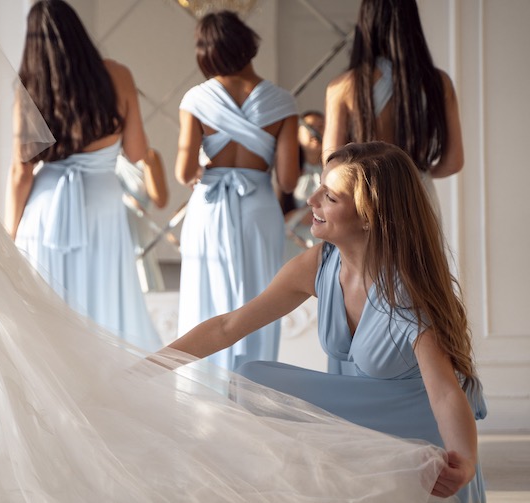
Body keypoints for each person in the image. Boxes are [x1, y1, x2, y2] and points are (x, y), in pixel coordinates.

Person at [0, 0, 455, 500]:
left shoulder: (285, 92)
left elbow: (32, 159)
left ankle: (163, 391)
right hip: (187, 204)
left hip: (55, 200)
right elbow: (278, 175)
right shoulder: (139, 79)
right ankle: (279, 405)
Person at [168, 141, 486, 502]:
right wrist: (150, 366)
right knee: (253, 381)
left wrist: (465, 460)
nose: (311, 200)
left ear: (369, 214)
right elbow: (228, 327)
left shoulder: (408, 293)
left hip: (418, 432)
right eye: (319, 186)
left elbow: (446, 392)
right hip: (362, 420)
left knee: (256, 382)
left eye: (329, 197)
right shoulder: (320, 264)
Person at [6, 0, 161, 351]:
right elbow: (137, 153)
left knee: (48, 316)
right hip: (102, 205)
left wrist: (9, 234)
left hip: (46, 210)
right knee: (105, 306)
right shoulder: (118, 75)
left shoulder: (29, 87)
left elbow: (21, 171)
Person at [174, 10, 300, 371]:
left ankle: (202, 392)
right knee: (262, 300)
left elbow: (184, 172)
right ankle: (255, 384)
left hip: (209, 207)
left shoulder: (197, 99)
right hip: (259, 208)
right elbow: (289, 181)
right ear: (248, 44)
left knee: (204, 297)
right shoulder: (282, 102)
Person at [323, 0, 464, 217]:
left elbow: (332, 161)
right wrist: (415, 175)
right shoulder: (438, 82)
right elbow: (453, 162)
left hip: (367, 201)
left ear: (366, 22)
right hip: (420, 199)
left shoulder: (343, 86)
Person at [115, 148, 169, 292]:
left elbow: (161, 201)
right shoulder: (98, 156)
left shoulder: (148, 156)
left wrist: (148, 162)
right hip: (111, 240)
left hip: (139, 240)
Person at [282, 110, 325, 256]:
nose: (315, 131)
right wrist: (299, 217)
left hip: (324, 242)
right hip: (294, 245)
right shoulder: (288, 172)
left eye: (321, 126)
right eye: (310, 126)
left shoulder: (333, 171)